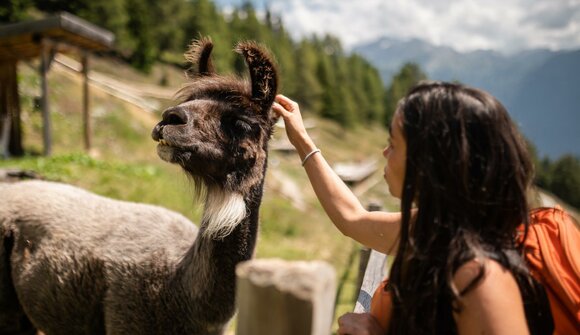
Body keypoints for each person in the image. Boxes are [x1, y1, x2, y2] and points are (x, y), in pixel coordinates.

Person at [272, 81, 554, 335]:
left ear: (429, 164)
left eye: (392, 144)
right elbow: (352, 218)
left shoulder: (483, 281)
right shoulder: (434, 229)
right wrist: (301, 140)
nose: (384, 153)